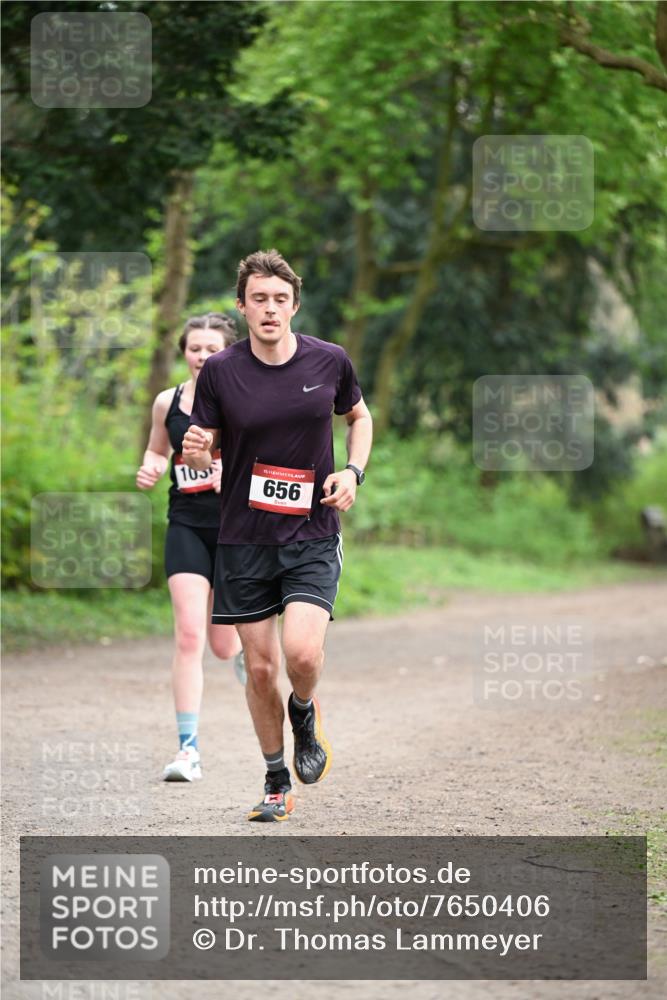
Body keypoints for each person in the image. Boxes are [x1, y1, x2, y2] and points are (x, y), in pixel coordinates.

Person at [183, 250, 373, 821]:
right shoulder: (221, 371)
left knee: (302, 655)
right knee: (261, 667)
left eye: (280, 299)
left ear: (295, 306)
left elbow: (359, 418)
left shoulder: (329, 361)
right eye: (259, 299)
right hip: (244, 537)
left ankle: (305, 711)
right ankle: (274, 779)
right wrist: (199, 450)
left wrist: (352, 472)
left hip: (312, 532)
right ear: (242, 307)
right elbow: (206, 449)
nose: (270, 309)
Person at [136, 312, 245, 783]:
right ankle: (188, 750)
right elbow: (157, 448)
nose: (202, 356)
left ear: (228, 352)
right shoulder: (168, 401)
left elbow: (266, 457)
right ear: (184, 352)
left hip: (235, 530)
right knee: (188, 636)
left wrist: (232, 473)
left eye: (212, 349)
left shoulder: (244, 399)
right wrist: (153, 466)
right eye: (195, 348)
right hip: (186, 525)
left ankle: (246, 654)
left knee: (223, 646)